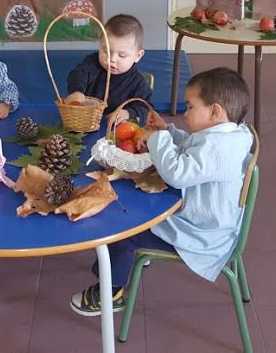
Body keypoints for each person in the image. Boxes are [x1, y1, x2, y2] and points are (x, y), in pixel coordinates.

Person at [70, 67, 254, 316]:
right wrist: (167, 131)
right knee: (134, 209)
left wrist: (156, 139)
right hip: (210, 222)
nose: (186, 113)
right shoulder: (230, 135)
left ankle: (111, 292)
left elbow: (177, 174)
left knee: (120, 230)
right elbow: (192, 149)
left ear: (214, 111)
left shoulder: (218, 148)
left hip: (201, 236)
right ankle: (120, 269)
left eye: (190, 107)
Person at [64, 14, 152, 126]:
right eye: (106, 52)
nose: (112, 59)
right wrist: (77, 91)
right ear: (100, 44)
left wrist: (128, 113)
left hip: (117, 131)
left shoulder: (138, 83)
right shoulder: (92, 63)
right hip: (85, 123)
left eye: (122, 55)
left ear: (138, 56)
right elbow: (78, 74)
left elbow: (146, 109)